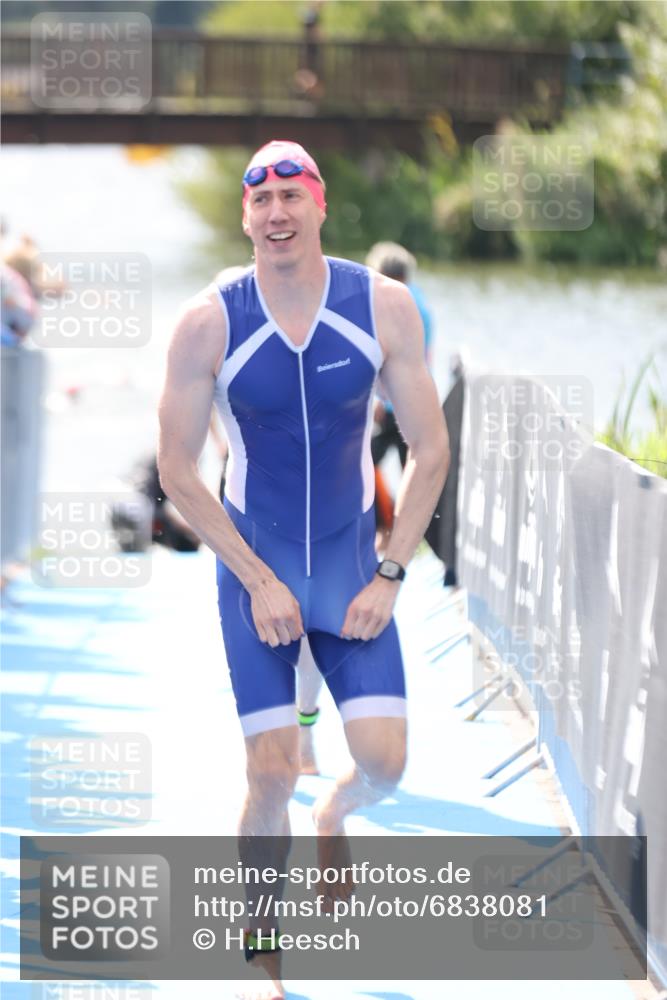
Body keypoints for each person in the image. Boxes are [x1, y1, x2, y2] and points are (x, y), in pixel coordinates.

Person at [157, 140, 449, 997]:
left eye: (293, 195)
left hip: (358, 571)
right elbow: (176, 469)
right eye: (262, 201)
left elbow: (431, 452)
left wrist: (390, 574)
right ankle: (260, 953)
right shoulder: (208, 320)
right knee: (271, 769)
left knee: (386, 766)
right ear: (245, 216)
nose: (277, 213)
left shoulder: (382, 306)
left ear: (321, 206)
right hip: (257, 576)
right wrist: (257, 576)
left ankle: (338, 812)